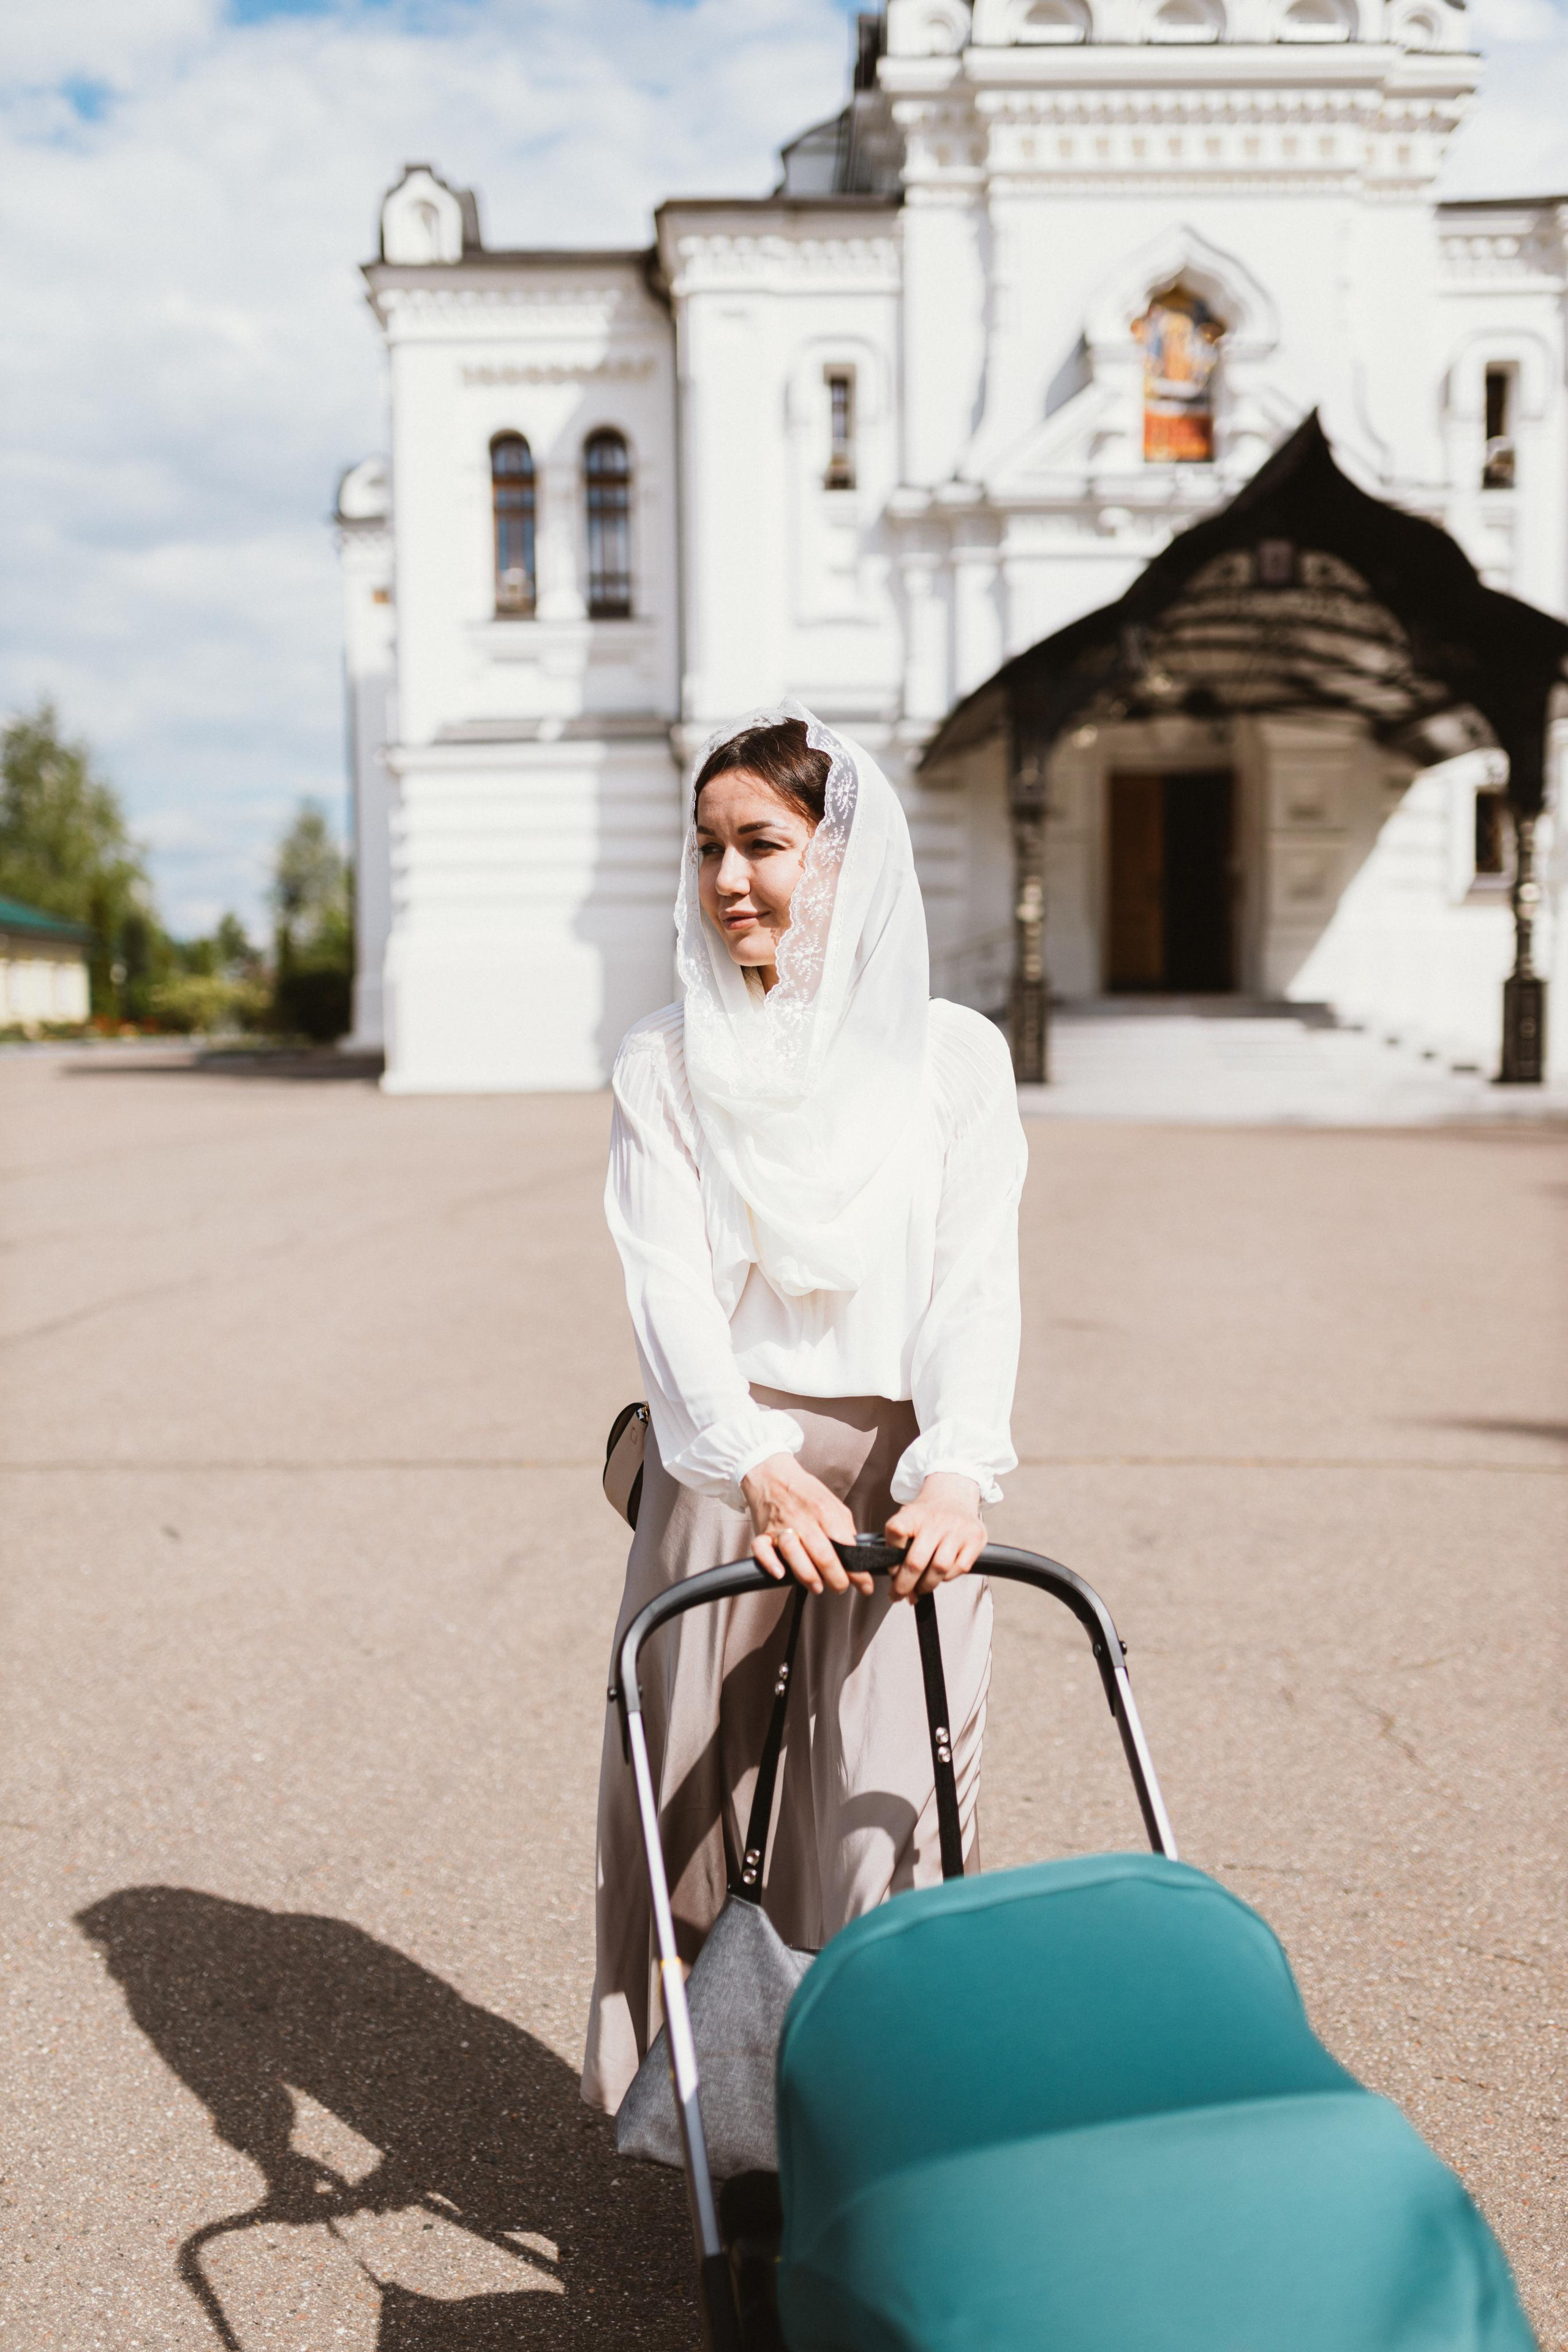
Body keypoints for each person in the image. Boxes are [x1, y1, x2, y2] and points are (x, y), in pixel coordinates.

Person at [581, 700, 1027, 2116]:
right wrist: (756, 1472)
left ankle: (877, 2112)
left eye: (762, 845)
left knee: (893, 1811)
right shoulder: (664, 1061)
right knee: (691, 1815)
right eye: (706, 848)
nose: (726, 883)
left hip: (907, 1463)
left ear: (842, 857)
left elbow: (973, 1287)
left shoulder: (952, 1059)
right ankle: (713, 2130)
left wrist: (954, 1472)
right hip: (726, 1459)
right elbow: (668, 1295)